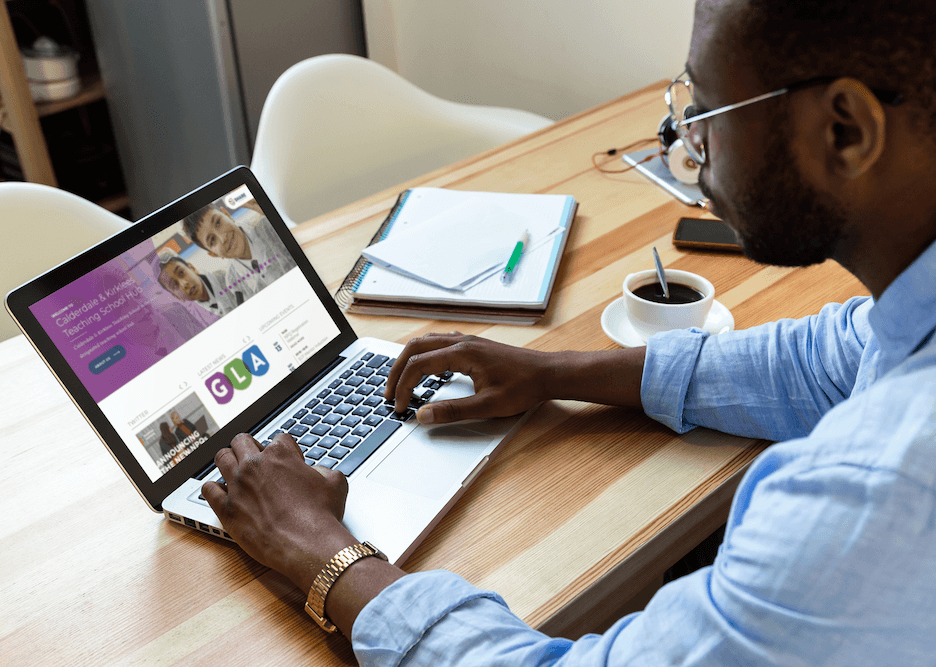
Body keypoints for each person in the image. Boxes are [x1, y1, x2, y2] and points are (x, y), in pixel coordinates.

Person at [200, 1, 936, 664]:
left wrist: (324, 554)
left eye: (708, 109)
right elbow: (827, 360)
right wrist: (554, 372)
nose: (684, 140)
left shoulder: (874, 491)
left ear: (846, 130)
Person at [181, 201, 296, 296]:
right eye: (212, 240)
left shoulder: (269, 226)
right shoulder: (233, 281)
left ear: (227, 215)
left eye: (218, 222)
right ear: (214, 254)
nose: (223, 237)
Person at [156, 251, 246, 318]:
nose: (184, 284)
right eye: (175, 285)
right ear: (176, 296)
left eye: (181, 272)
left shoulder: (232, 279)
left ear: (192, 268)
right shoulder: (193, 319)